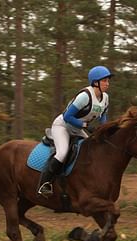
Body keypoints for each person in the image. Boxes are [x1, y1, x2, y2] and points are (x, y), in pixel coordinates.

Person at [37, 65, 113, 197]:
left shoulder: (105, 98)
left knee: (88, 152)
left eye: (108, 80)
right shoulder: (85, 96)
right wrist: (85, 125)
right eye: (104, 80)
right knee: (62, 153)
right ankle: (44, 184)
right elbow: (67, 116)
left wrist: (104, 132)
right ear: (95, 83)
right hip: (62, 126)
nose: (107, 83)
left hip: (77, 128)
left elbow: (103, 119)